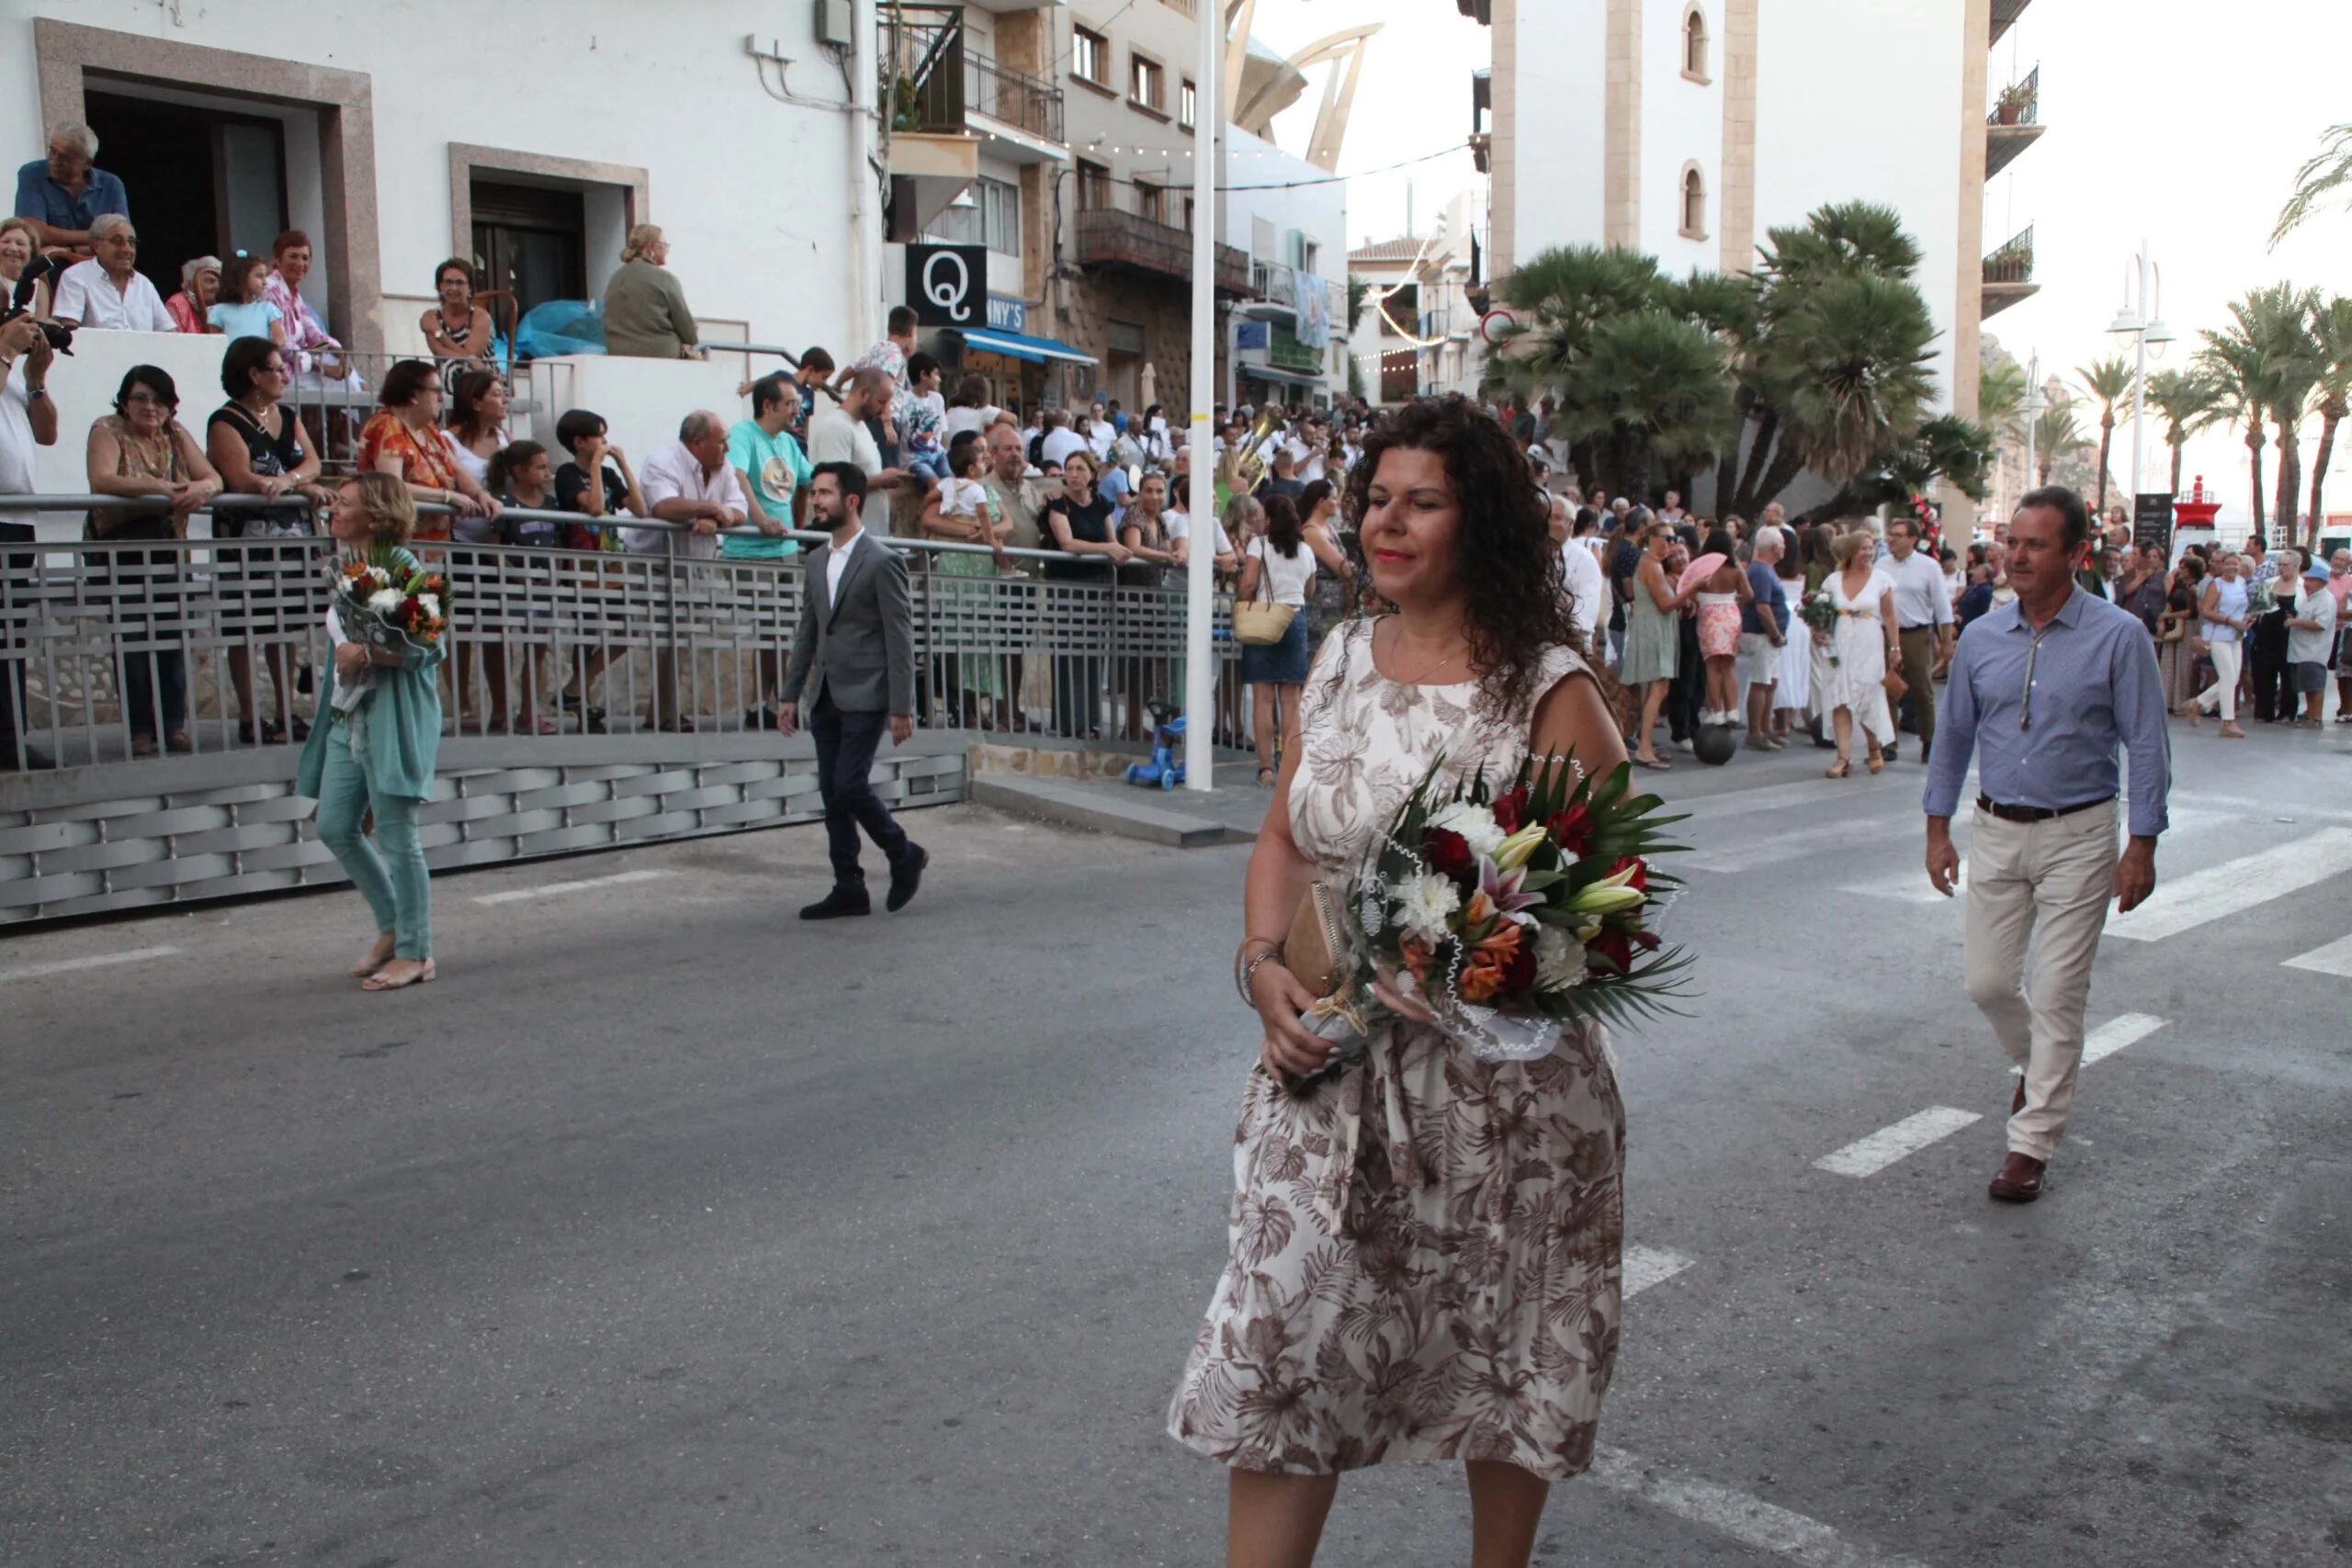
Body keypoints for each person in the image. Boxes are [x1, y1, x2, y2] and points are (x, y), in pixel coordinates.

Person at [1171, 396, 1629, 1566]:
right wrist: (1263, 967)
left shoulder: (1544, 688)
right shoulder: (1335, 661)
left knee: (1505, 1350)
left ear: (1477, 523)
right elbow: (1283, 835)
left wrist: (1481, 963)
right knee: (1281, 1347)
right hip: (1328, 1079)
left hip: (1504, 1111)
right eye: (1376, 499)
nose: (1387, 523)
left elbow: (1614, 886)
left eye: (1421, 502)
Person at [1923, 485, 2170, 1204]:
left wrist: (2141, 843)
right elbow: (1954, 740)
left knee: (2060, 992)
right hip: (1996, 829)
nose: (2017, 556)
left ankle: (2030, 1143)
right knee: (1990, 984)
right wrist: (1937, 830)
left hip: (2081, 834)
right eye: (2013, 541)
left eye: (2036, 544)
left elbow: (2146, 745)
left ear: (2076, 554)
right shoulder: (1980, 636)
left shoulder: (2119, 636)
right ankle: (2041, 1068)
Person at [298, 472, 443, 992]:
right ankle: (392, 925)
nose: (332, 509)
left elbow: (427, 648)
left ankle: (415, 949)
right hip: (348, 714)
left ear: (377, 515)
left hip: (393, 716)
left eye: (344, 503)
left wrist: (368, 653)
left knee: (398, 836)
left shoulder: (403, 569)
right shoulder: (348, 569)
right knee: (336, 825)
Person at [778, 461, 925, 919]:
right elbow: (808, 630)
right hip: (824, 693)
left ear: (851, 500)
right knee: (831, 793)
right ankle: (849, 886)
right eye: (815, 493)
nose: (816, 501)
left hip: (869, 691)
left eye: (824, 493)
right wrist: (788, 693)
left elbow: (900, 637)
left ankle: (903, 852)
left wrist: (902, 705)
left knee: (848, 785)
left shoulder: (883, 561)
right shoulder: (816, 559)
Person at [86, 364, 221, 756]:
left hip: (168, 548)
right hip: (121, 547)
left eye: (159, 400)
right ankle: (140, 730)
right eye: (141, 398)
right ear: (125, 402)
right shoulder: (107, 429)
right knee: (131, 640)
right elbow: (103, 479)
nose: (150, 407)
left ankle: (173, 725)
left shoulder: (175, 434)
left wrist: (203, 489)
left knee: (171, 637)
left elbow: (211, 476)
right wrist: (160, 487)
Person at [207, 336, 334, 745]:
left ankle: (285, 710)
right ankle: (249, 714)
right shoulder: (225, 421)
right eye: (277, 369)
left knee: (287, 624)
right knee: (247, 625)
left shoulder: (287, 414)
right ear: (254, 375)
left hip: (294, 537)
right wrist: (287, 486)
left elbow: (312, 462)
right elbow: (240, 477)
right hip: (249, 539)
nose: (283, 376)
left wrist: (293, 482)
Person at [633, 411, 749, 730]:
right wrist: (710, 507)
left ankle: (662, 711)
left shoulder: (722, 467)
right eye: (722, 441)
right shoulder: (663, 459)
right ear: (699, 443)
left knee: (678, 638)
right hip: (650, 564)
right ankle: (574, 690)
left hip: (693, 566)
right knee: (625, 633)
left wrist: (718, 517)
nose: (727, 449)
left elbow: (739, 508)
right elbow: (663, 506)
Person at [1238, 493, 1347, 786]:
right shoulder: (1305, 550)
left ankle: (1265, 768)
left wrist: (1245, 599)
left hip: (1264, 619)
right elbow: (1310, 590)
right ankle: (1288, 765)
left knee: (1262, 698)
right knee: (1290, 699)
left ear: (1271, 519)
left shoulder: (1257, 545)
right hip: (1295, 620)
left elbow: (1249, 582)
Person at [551, 408, 647, 733]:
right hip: (582, 568)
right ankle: (582, 703)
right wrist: (594, 465)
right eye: (599, 436)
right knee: (586, 636)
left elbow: (639, 507)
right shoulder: (566, 474)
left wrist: (622, 465)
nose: (606, 442)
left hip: (612, 567)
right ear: (580, 441)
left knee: (627, 630)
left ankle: (575, 687)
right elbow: (593, 507)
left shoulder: (607, 475)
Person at [0, 309, 60, 770]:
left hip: (17, 520)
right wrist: (4, 351)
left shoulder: (12, 380)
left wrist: (35, 378)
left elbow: (47, 433)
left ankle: (10, 738)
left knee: (12, 634)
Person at [922, 430, 1013, 727]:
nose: (986, 457)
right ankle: (964, 709)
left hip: (983, 572)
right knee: (959, 639)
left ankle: (984, 709)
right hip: (957, 570)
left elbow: (1006, 523)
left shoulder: (987, 491)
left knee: (985, 641)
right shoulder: (952, 486)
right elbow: (929, 514)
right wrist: (971, 532)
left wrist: (982, 534)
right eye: (980, 452)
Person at [356, 359, 498, 542]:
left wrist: (482, 495)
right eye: (436, 391)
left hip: (435, 543)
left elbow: (457, 469)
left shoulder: (427, 427)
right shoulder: (387, 425)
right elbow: (392, 485)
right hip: (401, 544)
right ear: (414, 395)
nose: (441, 398)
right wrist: (448, 497)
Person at [1041, 449, 1130, 738]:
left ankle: (1091, 721)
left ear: (1092, 474)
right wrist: (1106, 549)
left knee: (1093, 654)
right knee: (1069, 653)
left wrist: (1112, 549)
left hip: (1096, 586)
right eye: (1069, 469)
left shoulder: (1101, 502)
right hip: (1067, 586)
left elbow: (1111, 539)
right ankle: (1069, 723)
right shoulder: (1059, 505)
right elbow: (1067, 543)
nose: (1074, 474)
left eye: (1080, 469)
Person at [1815, 529, 1900, 778]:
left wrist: (1895, 647)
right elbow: (1821, 612)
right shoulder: (1832, 580)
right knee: (1840, 697)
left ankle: (1874, 748)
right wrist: (1817, 629)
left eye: (1871, 547)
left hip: (1868, 641)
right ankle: (1843, 757)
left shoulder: (1880, 579)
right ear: (1851, 552)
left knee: (1867, 695)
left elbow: (1890, 616)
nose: (1868, 552)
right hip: (1839, 641)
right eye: (1863, 548)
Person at [1881, 516, 1955, 764]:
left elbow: (1942, 606)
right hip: (1887, 632)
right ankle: (1888, 741)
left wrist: (1946, 640)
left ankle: (1929, 738)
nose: (1892, 539)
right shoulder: (1881, 565)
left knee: (1922, 689)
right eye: (1890, 534)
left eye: (1898, 534)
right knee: (1888, 686)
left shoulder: (1928, 566)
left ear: (1913, 539)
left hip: (1916, 633)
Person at [1622, 517, 1691, 770]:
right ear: (1653, 539)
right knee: (1658, 688)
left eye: (1675, 539)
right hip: (1653, 631)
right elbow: (1664, 604)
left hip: (1654, 629)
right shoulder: (1652, 565)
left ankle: (1646, 743)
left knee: (1654, 688)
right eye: (1668, 538)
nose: (1672, 544)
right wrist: (1691, 591)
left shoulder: (1652, 564)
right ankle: (1644, 748)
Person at [13, 122, 127, 255]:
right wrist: (99, 237)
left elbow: (121, 240)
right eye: (52, 151)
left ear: (87, 163)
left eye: (65, 158)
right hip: (47, 271)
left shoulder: (112, 185)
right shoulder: (32, 174)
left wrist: (67, 251)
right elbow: (34, 233)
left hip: (97, 271)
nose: (54, 161)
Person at [51, 215, 175, 332]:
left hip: (141, 354)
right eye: (117, 241)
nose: (127, 249)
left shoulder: (144, 284)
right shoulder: (75, 277)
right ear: (96, 245)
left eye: (131, 242)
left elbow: (168, 333)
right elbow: (70, 332)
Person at [259, 231, 351, 381]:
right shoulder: (270, 288)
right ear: (278, 259)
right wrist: (323, 368)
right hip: (282, 372)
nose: (300, 264)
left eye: (305, 258)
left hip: (300, 366)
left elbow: (312, 332)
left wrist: (342, 353)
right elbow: (280, 344)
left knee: (348, 375)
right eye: (293, 256)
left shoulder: (295, 295)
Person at [601, 224, 699, 359]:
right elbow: (689, 334)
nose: (667, 250)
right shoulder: (665, 279)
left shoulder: (615, 278)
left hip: (618, 355)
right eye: (664, 244)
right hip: (662, 356)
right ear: (650, 248)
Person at [2190, 550, 2250, 738]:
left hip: (2237, 635)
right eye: (2228, 564)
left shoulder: (2241, 583)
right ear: (2221, 566)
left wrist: (2247, 620)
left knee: (2232, 679)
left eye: (2235, 564)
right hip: (2219, 635)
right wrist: (2230, 621)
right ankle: (2227, 721)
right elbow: (2206, 610)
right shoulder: (2216, 585)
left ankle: (2197, 703)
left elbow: (2244, 607)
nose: (2232, 567)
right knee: (2228, 677)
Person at [1692, 526, 1747, 726]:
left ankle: (1716, 711)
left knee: (1711, 664)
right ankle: (1733, 710)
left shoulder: (1702, 568)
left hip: (1709, 615)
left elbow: (1690, 591)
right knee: (1729, 664)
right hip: (1730, 614)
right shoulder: (1735, 568)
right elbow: (1749, 594)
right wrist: (1735, 600)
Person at [1741, 525, 1791, 748]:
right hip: (1762, 635)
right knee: (1761, 682)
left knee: (1770, 682)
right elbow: (1762, 607)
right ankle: (1755, 732)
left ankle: (1765, 727)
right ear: (1773, 548)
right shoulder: (1760, 571)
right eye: (1781, 545)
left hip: (1769, 637)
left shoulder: (1764, 570)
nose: (1784, 549)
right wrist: (1775, 633)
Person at [1770, 526, 1811, 743]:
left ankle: (1779, 719)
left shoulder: (1773, 571)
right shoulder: (1800, 570)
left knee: (1779, 669)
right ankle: (1789, 718)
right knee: (1794, 669)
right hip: (1798, 621)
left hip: (1780, 618)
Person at [2286, 559, 2337, 727]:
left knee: (2315, 685)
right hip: (2301, 650)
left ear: (2322, 583)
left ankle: (2316, 718)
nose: (2307, 583)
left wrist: (2295, 623)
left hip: (2314, 651)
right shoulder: (2308, 598)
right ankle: (2309, 713)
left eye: (2311, 580)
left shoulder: (2326, 600)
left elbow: (2320, 624)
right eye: (2306, 580)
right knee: (2307, 685)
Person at [420, 257, 497, 364]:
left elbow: (469, 358)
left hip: (481, 377)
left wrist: (438, 332)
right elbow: (438, 351)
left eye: (460, 282)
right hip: (445, 377)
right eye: (448, 282)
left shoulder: (481, 317)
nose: (454, 288)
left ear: (470, 288)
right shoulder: (431, 317)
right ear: (440, 286)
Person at [2155, 552, 2204, 717]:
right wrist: (2164, 619)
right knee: (2168, 662)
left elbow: (2192, 611)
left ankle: (2181, 702)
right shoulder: (2178, 584)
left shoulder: (2197, 586)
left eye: (2184, 568)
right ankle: (2166, 701)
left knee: (2184, 665)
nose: (2180, 570)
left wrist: (2169, 616)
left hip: (2188, 625)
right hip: (2173, 624)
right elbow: (2170, 602)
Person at [205, 254, 286, 346]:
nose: (265, 282)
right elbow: (214, 344)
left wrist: (264, 350)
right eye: (259, 276)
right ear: (241, 277)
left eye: (265, 276)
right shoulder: (219, 311)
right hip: (233, 360)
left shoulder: (267, 309)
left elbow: (280, 340)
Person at [162, 254, 220, 335]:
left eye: (220, 281)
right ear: (190, 285)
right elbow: (174, 342)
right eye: (210, 281)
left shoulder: (223, 305)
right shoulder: (177, 304)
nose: (217, 286)